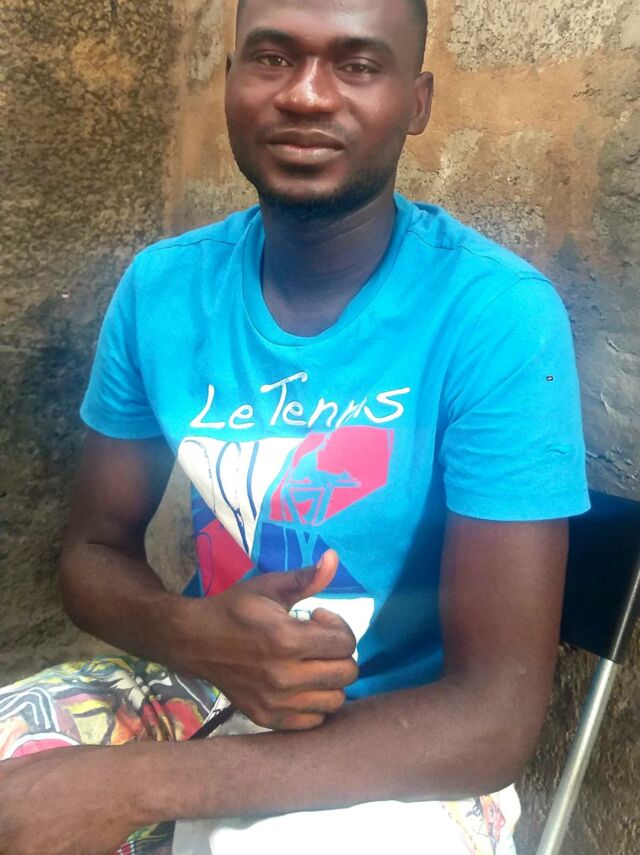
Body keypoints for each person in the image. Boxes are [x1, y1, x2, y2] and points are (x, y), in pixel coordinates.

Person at [0, 0, 589, 853]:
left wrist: (131, 784)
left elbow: (491, 716)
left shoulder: (495, 316)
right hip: (199, 684)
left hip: (406, 746)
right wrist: (192, 633)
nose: (307, 95)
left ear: (416, 102)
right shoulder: (162, 289)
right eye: (272, 58)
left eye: (357, 65)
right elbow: (91, 553)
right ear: (230, 81)